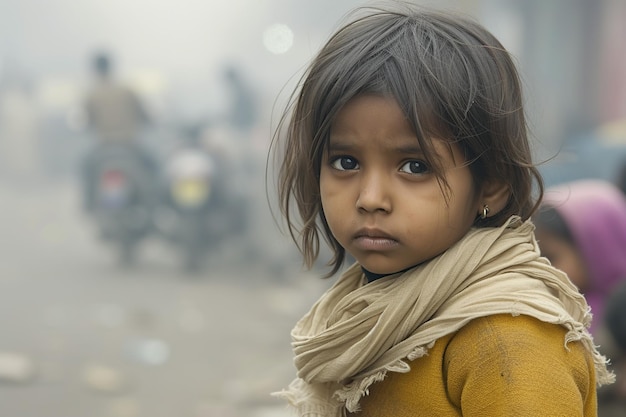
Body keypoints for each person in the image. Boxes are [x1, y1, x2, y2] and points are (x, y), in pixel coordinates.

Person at [269, 4, 613, 416]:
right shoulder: (372, 315)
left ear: (492, 185)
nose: (370, 197)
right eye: (346, 162)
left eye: (415, 167)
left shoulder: (506, 338)